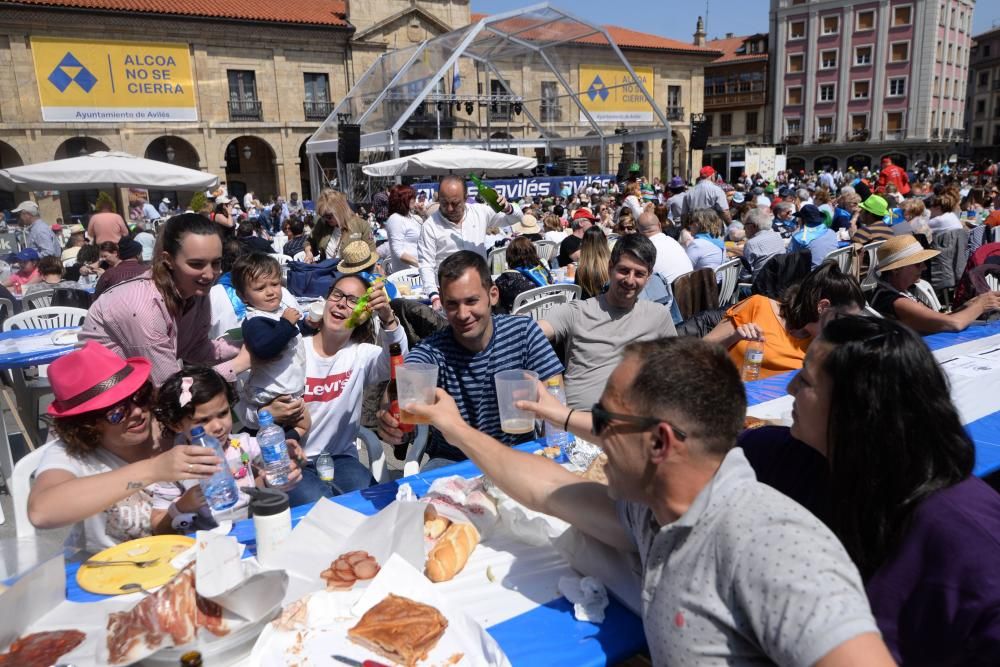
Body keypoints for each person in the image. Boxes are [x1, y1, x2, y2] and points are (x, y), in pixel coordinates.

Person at [404, 336, 893, 666]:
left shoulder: (772, 546)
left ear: (660, 444)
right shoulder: (657, 509)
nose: (594, 436)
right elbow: (547, 488)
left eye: (605, 423)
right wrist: (456, 429)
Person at [742, 315, 1000, 664]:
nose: (789, 389)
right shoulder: (795, 459)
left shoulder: (970, 547)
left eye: (804, 380)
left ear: (858, 409)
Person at [27, 342, 224, 551]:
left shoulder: (177, 425)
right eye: (117, 412)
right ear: (86, 425)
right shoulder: (71, 452)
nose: (137, 412)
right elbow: (41, 512)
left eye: (139, 396)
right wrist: (154, 470)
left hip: (193, 557)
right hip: (106, 571)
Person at [377, 251, 562, 468]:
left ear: (493, 295)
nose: (463, 314)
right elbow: (403, 383)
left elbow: (556, 394)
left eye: (471, 301)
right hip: (453, 461)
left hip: (517, 452)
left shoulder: (523, 333)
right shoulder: (433, 350)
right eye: (453, 304)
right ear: (442, 304)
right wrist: (390, 415)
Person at [81, 213, 251, 385]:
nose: (210, 274)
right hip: (104, 400)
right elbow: (171, 388)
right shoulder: (144, 307)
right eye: (196, 264)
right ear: (168, 260)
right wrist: (240, 363)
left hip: (140, 394)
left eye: (216, 263)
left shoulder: (195, 290)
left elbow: (196, 349)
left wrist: (250, 345)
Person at [286, 272, 405, 503]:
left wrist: (388, 318)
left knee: (367, 499)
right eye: (337, 295)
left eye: (353, 300)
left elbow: (398, 361)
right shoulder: (295, 350)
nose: (341, 303)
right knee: (316, 502)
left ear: (363, 314)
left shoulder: (360, 355)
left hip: (340, 458)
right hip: (294, 459)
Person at [150, 366, 299, 531]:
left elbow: (277, 468)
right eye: (203, 420)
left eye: (223, 413)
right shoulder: (173, 467)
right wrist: (182, 506)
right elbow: (158, 525)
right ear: (176, 424)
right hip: (209, 545)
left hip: (253, 531)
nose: (218, 427)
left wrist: (288, 459)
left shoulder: (242, 445)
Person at [539, 234, 676, 409]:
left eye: (639, 274)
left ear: (648, 277)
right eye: (624, 270)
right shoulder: (576, 312)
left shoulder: (658, 315)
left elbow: (674, 370)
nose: (630, 280)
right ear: (610, 267)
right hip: (580, 423)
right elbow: (530, 334)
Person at [705, 261, 865, 379]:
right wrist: (734, 337)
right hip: (723, 402)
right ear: (822, 307)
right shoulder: (758, 306)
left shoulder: (823, 347)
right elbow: (699, 351)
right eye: (844, 320)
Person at [231, 253, 312, 436]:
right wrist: (286, 324)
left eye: (275, 284)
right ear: (243, 296)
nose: (270, 291)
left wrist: (307, 326)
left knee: (300, 425)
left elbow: (293, 334)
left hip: (285, 389)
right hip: (272, 392)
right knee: (296, 425)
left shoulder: (279, 312)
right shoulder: (254, 321)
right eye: (260, 288)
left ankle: (285, 446)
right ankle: (279, 449)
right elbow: (265, 348)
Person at [417, 175, 523, 308]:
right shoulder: (430, 226)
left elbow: (516, 218)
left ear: (465, 198)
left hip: (481, 289)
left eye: (455, 203)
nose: (449, 208)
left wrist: (507, 207)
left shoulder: (480, 212)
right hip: (451, 296)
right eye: (444, 203)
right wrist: (434, 296)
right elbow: (426, 264)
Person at [870, 235, 1000, 331]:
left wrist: (967, 306)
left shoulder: (899, 292)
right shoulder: (896, 301)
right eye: (918, 264)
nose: (924, 268)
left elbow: (936, 320)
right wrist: (981, 305)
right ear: (896, 269)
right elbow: (953, 324)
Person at [493, 237, 552, 314]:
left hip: (519, 320)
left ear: (509, 256)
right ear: (533, 252)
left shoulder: (506, 279)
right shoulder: (542, 271)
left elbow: (495, 301)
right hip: (546, 313)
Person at [637, 210, 692, 284]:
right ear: (659, 225)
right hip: (691, 289)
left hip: (670, 293)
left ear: (638, 231)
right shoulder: (672, 241)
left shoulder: (642, 250)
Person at [732, 207, 785, 281]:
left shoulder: (751, 243)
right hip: (779, 282)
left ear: (754, 226)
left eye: (745, 225)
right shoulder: (777, 236)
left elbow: (744, 276)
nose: (744, 229)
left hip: (759, 287)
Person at [384, 184, 422, 272]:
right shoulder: (396, 219)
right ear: (402, 200)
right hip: (407, 274)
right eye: (411, 198)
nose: (414, 200)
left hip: (417, 271)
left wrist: (423, 213)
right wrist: (420, 265)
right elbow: (398, 252)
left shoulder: (411, 217)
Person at [574, 226, 610, 300]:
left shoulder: (581, 271)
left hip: (587, 309)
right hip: (609, 308)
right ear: (605, 242)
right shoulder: (613, 266)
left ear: (584, 244)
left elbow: (578, 298)